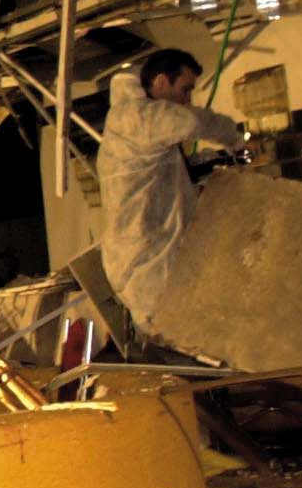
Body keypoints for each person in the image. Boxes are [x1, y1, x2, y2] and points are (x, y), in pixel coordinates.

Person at [97, 47, 245, 337]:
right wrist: (235, 138)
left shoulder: (141, 124)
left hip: (147, 259)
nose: (187, 100)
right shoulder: (136, 118)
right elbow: (191, 122)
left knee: (187, 339)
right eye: (185, 89)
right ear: (162, 82)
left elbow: (164, 178)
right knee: (180, 342)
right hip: (147, 265)